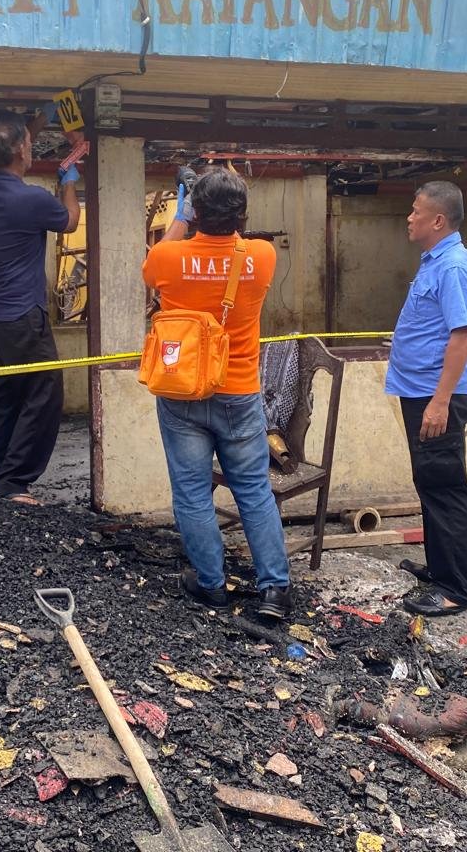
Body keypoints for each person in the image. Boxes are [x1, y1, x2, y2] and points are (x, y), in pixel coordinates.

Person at [142, 167, 293, 619]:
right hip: (240, 393)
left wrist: (181, 215)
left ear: (196, 211)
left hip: (182, 392)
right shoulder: (262, 255)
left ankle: (211, 586)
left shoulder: (168, 257)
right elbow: (235, 249)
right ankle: (274, 591)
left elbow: (154, 267)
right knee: (254, 491)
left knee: (192, 493)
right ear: (242, 215)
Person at [0, 111, 80, 505]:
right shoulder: (31, 199)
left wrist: (37, 122)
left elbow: (6, 147)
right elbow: (70, 221)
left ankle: (2, 478)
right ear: (19, 149)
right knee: (44, 393)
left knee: (3, 398)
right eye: (29, 142)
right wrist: (69, 180)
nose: (33, 146)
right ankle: (15, 481)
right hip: (22, 318)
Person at [385, 181, 467, 617]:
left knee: (445, 487)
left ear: (438, 220)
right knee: (430, 481)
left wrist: (441, 401)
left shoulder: (454, 267)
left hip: (437, 395)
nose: (410, 218)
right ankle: (440, 568)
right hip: (422, 391)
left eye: (416, 211)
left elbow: (462, 337)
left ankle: (454, 590)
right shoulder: (436, 261)